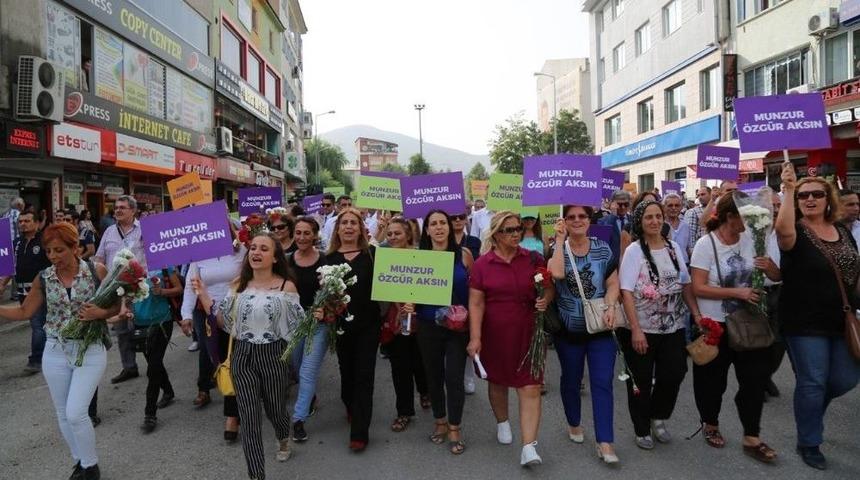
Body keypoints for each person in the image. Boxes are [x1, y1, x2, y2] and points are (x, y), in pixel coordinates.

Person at [0, 222, 119, 480]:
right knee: (63, 414)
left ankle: (90, 466)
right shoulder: (44, 277)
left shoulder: (96, 270)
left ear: (75, 247)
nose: (53, 256)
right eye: (49, 251)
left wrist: (101, 313)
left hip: (90, 349)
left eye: (59, 250)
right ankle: (82, 462)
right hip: (54, 351)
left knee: (76, 412)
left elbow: (116, 306)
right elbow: (24, 312)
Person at [195, 233, 304, 480]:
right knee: (249, 417)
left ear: (275, 257)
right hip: (242, 355)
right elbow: (225, 323)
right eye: (253, 248)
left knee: (276, 409)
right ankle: (256, 475)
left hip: (274, 354)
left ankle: (282, 437)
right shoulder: (238, 285)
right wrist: (204, 296)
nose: (256, 252)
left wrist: (315, 317)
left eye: (264, 249)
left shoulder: (287, 286)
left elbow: (297, 328)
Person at [776, 166, 860, 470]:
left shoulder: (844, 231)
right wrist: (787, 190)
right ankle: (809, 442)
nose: (810, 199)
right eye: (804, 195)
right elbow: (782, 231)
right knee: (812, 383)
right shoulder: (795, 231)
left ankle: (810, 413)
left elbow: (853, 275)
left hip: (842, 321)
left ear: (829, 199)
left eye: (817, 194)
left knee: (844, 379)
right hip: (804, 322)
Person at [690, 193, 780, 463]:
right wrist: (738, 293)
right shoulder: (706, 245)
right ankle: (710, 423)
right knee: (711, 381)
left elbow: (776, 277)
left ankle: (752, 437)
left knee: (754, 380)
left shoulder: (754, 239)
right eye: (746, 217)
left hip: (749, 322)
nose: (751, 222)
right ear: (730, 217)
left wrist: (770, 267)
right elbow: (698, 287)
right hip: (715, 324)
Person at [467, 211, 554, 466]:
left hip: (529, 334)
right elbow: (476, 303)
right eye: (509, 230)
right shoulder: (483, 264)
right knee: (498, 382)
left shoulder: (533, 259)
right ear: (496, 234)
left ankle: (528, 446)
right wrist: (475, 337)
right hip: (495, 335)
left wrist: (545, 299)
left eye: (518, 229)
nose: (516, 233)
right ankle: (502, 421)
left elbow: (548, 287)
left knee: (530, 386)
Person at [618, 201, 698, 450]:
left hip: (673, 327)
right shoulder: (634, 251)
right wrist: (636, 330)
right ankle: (642, 428)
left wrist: (695, 313)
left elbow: (685, 283)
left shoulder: (673, 247)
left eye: (658, 216)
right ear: (640, 222)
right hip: (641, 328)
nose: (654, 221)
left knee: (675, 373)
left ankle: (658, 416)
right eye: (648, 217)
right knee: (640, 380)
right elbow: (626, 291)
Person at [548, 205, 620, 464]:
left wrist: (611, 305)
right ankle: (574, 422)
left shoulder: (603, 248)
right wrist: (559, 239)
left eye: (582, 216)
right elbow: (556, 274)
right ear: (564, 221)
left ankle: (605, 441)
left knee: (602, 382)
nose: (577, 221)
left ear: (590, 220)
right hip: (569, 331)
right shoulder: (557, 248)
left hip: (601, 325)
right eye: (571, 217)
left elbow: (613, 284)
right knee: (571, 379)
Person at [180, 226, 246, 441]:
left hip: (237, 314)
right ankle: (233, 398)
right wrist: (186, 314)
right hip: (209, 316)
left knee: (235, 364)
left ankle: (232, 416)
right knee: (219, 362)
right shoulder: (198, 256)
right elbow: (192, 286)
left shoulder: (242, 250)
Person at [416, 210, 473, 455]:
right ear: (426, 230)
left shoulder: (465, 255)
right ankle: (439, 421)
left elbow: (475, 292)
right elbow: (409, 291)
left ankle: (455, 426)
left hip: (457, 328)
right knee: (434, 376)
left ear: (450, 228)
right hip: (428, 325)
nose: (439, 227)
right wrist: (408, 302)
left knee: (454, 377)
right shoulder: (418, 258)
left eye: (443, 223)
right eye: (433, 224)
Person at [326, 208, 381, 451]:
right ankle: (350, 405)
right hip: (340, 328)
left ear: (361, 228)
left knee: (364, 376)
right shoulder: (326, 260)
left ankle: (359, 432)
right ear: (337, 229)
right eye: (344, 223)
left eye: (353, 223)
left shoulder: (373, 255)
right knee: (347, 373)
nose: (348, 227)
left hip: (369, 325)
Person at [380, 218, 430, 436]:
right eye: (389, 234)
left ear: (408, 235)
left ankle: (425, 390)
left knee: (421, 362)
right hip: (395, 321)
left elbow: (432, 284)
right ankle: (404, 411)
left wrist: (416, 302)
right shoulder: (383, 258)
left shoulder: (422, 256)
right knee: (399, 367)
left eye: (397, 233)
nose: (392, 238)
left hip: (421, 319)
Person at [93, 195, 143, 384]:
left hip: (138, 287)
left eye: (122, 207)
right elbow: (99, 258)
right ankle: (129, 367)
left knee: (143, 326)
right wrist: (103, 279)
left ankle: (154, 363)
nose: (118, 210)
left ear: (133, 210)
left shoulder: (144, 230)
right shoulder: (109, 232)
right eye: (116, 207)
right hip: (114, 289)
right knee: (122, 331)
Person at [128, 267, 183, 433]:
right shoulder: (129, 266)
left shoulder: (165, 264)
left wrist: (162, 291)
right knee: (154, 363)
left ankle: (149, 414)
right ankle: (168, 391)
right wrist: (126, 306)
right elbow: (124, 294)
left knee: (153, 366)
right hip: (140, 324)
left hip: (162, 322)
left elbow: (179, 289)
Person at [287, 216, 327, 442]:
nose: (301, 237)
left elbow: (335, 295)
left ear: (314, 235)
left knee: (307, 370)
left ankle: (298, 419)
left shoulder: (325, 260)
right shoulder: (286, 260)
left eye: (306, 233)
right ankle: (309, 397)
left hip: (318, 324)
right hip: (293, 324)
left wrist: (326, 309)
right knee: (297, 365)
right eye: (298, 233)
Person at [0, 210, 50, 373]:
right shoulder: (16, 243)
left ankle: (36, 360)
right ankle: (50, 352)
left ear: (36, 223)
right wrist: (2, 284)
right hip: (22, 292)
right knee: (40, 324)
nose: (23, 224)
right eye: (20, 221)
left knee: (37, 325)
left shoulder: (44, 241)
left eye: (27, 221)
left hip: (40, 291)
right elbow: (10, 267)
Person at [451, 208, 481, 394]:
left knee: (466, 337)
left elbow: (475, 268)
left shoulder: (473, 242)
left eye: (461, 217)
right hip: (444, 294)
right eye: (453, 217)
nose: (457, 220)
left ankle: (468, 376)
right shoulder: (438, 242)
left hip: (465, 292)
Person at [598, 190, 632, 261]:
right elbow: (604, 238)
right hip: (612, 262)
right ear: (612, 204)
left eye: (626, 204)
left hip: (630, 260)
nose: (623, 207)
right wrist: (613, 216)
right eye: (619, 204)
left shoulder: (633, 220)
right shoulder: (602, 221)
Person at [684, 187, 712, 258]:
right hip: (702, 251)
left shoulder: (718, 209)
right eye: (698, 195)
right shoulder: (694, 211)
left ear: (710, 194)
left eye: (703, 194)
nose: (700, 197)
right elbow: (691, 234)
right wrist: (693, 253)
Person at [663, 194, 690, 263]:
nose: (674, 208)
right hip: (666, 265)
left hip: (684, 264)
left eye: (677, 205)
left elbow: (688, 248)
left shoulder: (686, 226)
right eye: (670, 205)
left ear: (681, 207)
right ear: (664, 207)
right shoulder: (660, 225)